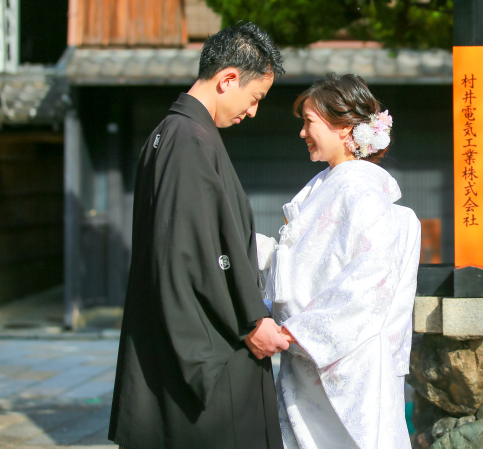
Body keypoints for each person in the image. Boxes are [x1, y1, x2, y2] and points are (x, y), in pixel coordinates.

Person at [108, 22, 290, 449]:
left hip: (175, 333)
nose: (252, 112)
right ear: (228, 79)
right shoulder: (188, 140)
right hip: (207, 349)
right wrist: (250, 322)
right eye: (255, 98)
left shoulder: (168, 134)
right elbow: (189, 254)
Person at [260, 73, 421, 449]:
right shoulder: (328, 185)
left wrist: (295, 333)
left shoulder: (361, 190)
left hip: (347, 361)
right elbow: (297, 262)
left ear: (345, 128)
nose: (303, 133)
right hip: (310, 357)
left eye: (309, 122)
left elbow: (368, 282)